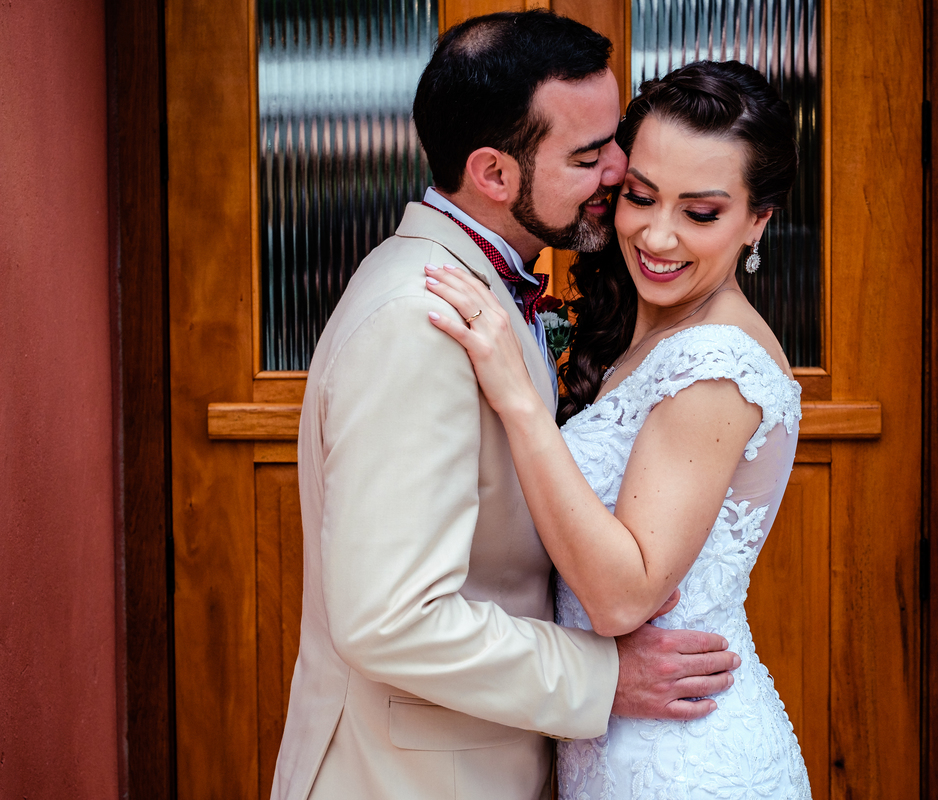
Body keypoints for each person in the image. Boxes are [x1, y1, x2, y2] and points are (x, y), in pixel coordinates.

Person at [270, 13, 739, 800]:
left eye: (613, 140)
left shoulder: (481, 289)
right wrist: (603, 677)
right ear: (493, 173)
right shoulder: (418, 324)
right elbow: (391, 618)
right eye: (589, 156)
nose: (620, 171)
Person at [426, 60, 813, 798]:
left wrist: (517, 401)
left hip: (686, 762)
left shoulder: (715, 363)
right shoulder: (655, 334)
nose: (658, 236)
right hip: (620, 735)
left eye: (700, 213)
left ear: (757, 220)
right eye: (641, 197)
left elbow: (621, 597)